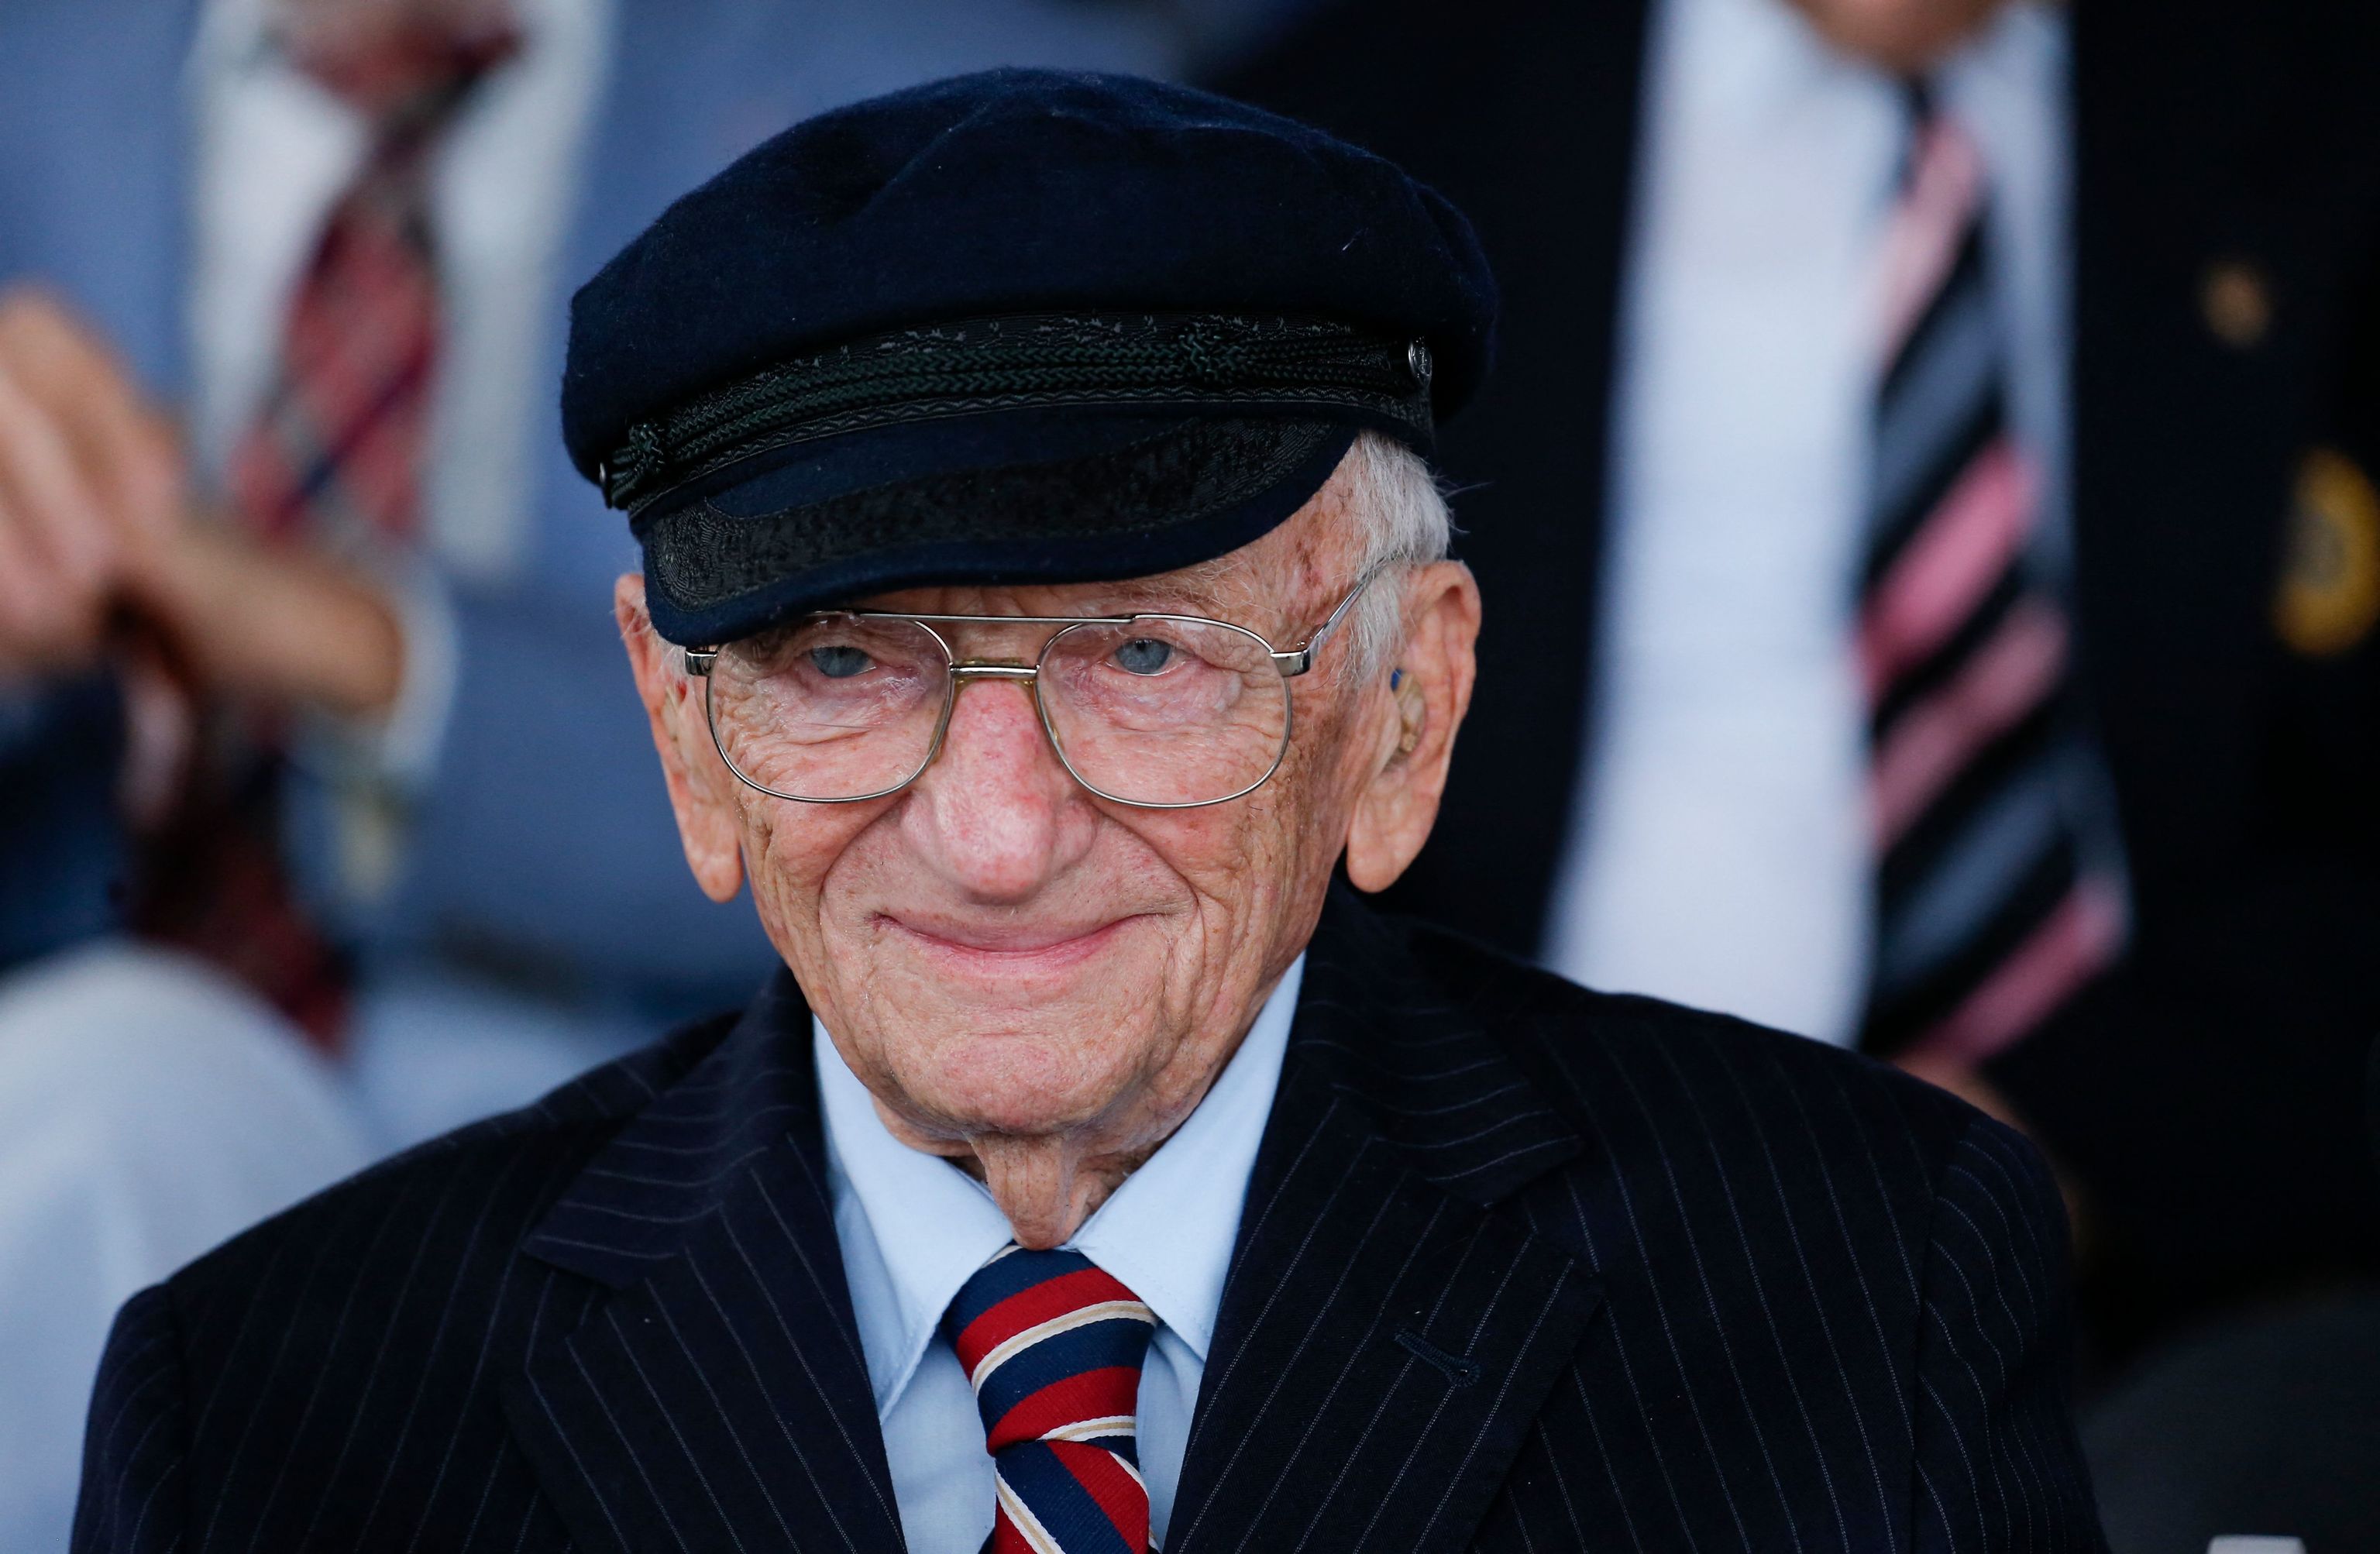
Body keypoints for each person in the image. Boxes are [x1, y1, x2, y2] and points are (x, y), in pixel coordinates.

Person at [72, 70, 2105, 1553]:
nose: (995, 825)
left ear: (1405, 713)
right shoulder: (270, 1413)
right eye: (847, 660)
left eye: (1147, 657)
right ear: (684, 740)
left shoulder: (1868, 1288)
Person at [1219, 0, 2380, 1363]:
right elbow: (1243, 768)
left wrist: (2062, 1141)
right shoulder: (1353, 128)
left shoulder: (2309, 112)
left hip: (2156, 1264)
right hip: (1520, 1244)